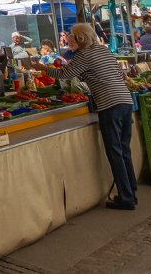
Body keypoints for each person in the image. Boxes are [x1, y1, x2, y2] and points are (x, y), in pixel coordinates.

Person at [38, 25, 137, 210]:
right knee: (124, 149)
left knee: (115, 151)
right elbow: (116, 74)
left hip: (110, 104)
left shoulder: (85, 55)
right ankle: (131, 190)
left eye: (73, 37)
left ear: (81, 39)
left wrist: (42, 68)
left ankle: (126, 197)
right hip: (125, 100)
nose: (70, 39)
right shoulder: (103, 51)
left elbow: (65, 74)